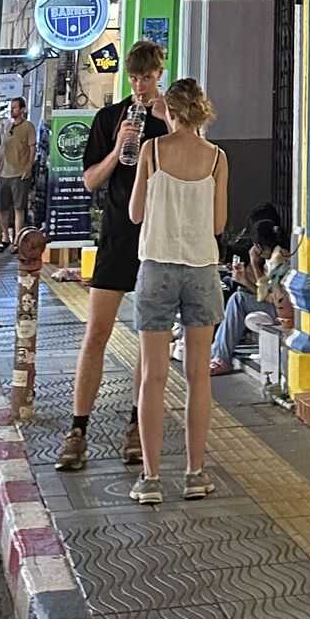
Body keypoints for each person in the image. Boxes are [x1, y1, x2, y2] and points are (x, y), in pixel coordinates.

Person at [55, 41, 176, 473]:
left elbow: (194, 160)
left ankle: (136, 425)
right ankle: (78, 429)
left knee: (150, 337)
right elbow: (90, 180)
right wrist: (118, 146)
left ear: (160, 74)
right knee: (96, 332)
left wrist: (168, 119)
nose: (142, 85)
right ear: (128, 77)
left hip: (160, 238)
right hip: (117, 236)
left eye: (149, 77)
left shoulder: (170, 117)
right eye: (136, 78)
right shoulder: (109, 118)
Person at [127, 78, 226, 506]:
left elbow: (135, 213)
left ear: (168, 111)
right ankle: (194, 474)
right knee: (198, 375)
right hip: (201, 269)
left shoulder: (151, 151)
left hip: (157, 266)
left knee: (153, 375)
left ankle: (150, 478)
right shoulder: (218, 158)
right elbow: (219, 224)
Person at [210, 209, 289, 376]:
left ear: (258, 246)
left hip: (283, 312)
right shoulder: (276, 255)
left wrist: (252, 265)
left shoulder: (278, 259)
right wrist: (244, 280)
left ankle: (221, 357)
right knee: (238, 294)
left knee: (238, 299)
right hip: (279, 308)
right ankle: (218, 353)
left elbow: (269, 297)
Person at [0, 97, 35, 250]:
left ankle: (18, 239)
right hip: (4, 173)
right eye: (11, 107)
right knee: (2, 207)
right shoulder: (6, 126)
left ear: (22, 109)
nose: (12, 110)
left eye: (15, 107)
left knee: (19, 207)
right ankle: (5, 236)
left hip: (20, 173)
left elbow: (32, 148)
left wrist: (29, 167)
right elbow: (2, 149)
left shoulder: (28, 127)